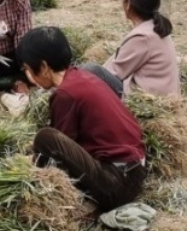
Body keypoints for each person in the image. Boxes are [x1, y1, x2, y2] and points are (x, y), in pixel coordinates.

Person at [17, 26, 147, 213]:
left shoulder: (66, 94)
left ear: (44, 67)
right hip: (135, 171)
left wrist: (32, 162)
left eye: (28, 69)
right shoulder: (83, 76)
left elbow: (59, 145)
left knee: (45, 137)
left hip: (116, 185)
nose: (29, 76)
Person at [81, 0, 180, 98]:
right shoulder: (155, 27)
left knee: (90, 70)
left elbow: (114, 72)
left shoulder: (143, 37)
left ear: (128, 4)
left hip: (147, 99)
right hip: (159, 96)